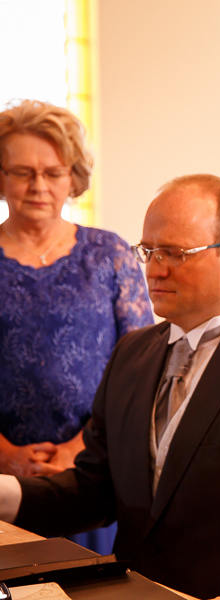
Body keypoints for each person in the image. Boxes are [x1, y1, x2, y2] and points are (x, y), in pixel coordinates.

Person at [0, 174, 220, 600]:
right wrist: (4, 494)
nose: (154, 269)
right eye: (149, 251)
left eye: (175, 253)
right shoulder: (131, 354)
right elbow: (95, 490)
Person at [0, 99, 153, 553]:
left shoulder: (110, 254)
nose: (38, 186)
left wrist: (80, 447)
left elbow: (140, 367)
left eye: (53, 172)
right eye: (22, 172)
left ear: (73, 177)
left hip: (91, 472)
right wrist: (5, 454)